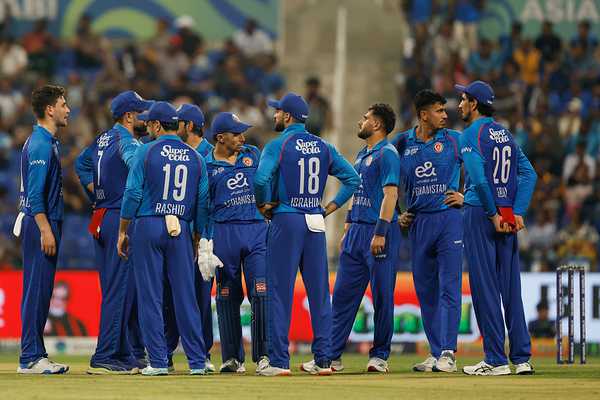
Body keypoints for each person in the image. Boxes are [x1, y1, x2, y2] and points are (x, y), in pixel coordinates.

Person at [253, 92, 361, 376]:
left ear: (288, 116)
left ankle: (279, 362)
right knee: (320, 294)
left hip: (286, 219)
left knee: (279, 292)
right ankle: (323, 360)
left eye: (278, 111)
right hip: (315, 220)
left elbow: (261, 179)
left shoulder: (278, 145)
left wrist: (263, 205)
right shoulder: (324, 146)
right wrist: (329, 208)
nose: (275, 115)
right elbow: (353, 179)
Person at [117, 101, 209, 376]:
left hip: (149, 224)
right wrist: (197, 235)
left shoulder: (146, 151)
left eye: (149, 124)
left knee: (151, 296)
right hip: (181, 227)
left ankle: (158, 362)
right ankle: (197, 362)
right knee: (186, 296)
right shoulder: (196, 157)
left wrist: (122, 229)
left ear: (157, 125)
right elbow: (203, 202)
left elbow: (132, 193)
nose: (147, 128)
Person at [456, 81, 537, 376]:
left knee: (485, 287)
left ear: (474, 104)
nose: (459, 104)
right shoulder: (505, 134)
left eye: (463, 99)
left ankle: (495, 360)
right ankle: (522, 359)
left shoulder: (470, 135)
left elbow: (478, 180)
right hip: (507, 214)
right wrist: (517, 212)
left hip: (481, 213)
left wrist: (492, 214)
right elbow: (529, 174)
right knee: (511, 288)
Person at [75, 90, 152, 374]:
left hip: (102, 215)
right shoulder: (127, 142)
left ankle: (123, 353)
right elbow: (136, 166)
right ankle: (105, 356)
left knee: (120, 289)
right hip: (120, 216)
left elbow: (81, 163)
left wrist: (95, 189)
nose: (147, 117)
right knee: (119, 290)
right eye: (142, 112)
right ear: (129, 116)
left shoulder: (103, 139)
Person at [322, 103, 400, 374]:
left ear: (377, 124)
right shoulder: (361, 154)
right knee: (342, 297)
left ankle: (379, 356)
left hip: (377, 232)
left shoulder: (388, 154)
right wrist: (347, 227)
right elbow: (357, 192)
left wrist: (380, 232)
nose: (361, 121)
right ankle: (331, 356)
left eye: (365, 118)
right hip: (356, 231)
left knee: (382, 296)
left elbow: (391, 194)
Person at [393, 90, 463, 373]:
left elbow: (483, 170)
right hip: (419, 222)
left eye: (444, 110)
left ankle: (448, 353)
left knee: (449, 286)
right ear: (423, 115)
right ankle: (435, 353)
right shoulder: (402, 143)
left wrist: (468, 196)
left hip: (448, 220)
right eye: (439, 110)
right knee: (425, 291)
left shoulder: (455, 140)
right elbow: (385, 179)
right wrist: (397, 214)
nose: (445, 115)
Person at [200, 112, 268, 373]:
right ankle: (232, 358)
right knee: (227, 295)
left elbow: (268, 181)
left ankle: (264, 356)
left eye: (242, 133)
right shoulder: (206, 165)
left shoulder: (253, 154)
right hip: (224, 232)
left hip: (256, 230)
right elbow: (202, 205)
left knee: (260, 292)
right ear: (220, 137)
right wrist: (204, 239)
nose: (242, 138)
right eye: (236, 134)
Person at [16, 84, 70, 374]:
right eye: (63, 104)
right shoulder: (40, 144)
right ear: (50, 110)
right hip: (41, 223)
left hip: (43, 221)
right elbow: (35, 194)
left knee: (39, 290)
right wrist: (45, 229)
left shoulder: (45, 141)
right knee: (37, 290)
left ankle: (34, 354)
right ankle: (30, 357)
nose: (67, 109)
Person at [162, 103, 216, 373]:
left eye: (179, 122)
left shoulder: (210, 155)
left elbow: (209, 201)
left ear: (189, 126)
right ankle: (166, 353)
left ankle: (202, 354)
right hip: (176, 235)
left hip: (202, 237)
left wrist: (205, 238)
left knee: (200, 299)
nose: (175, 126)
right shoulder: (174, 153)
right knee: (170, 297)